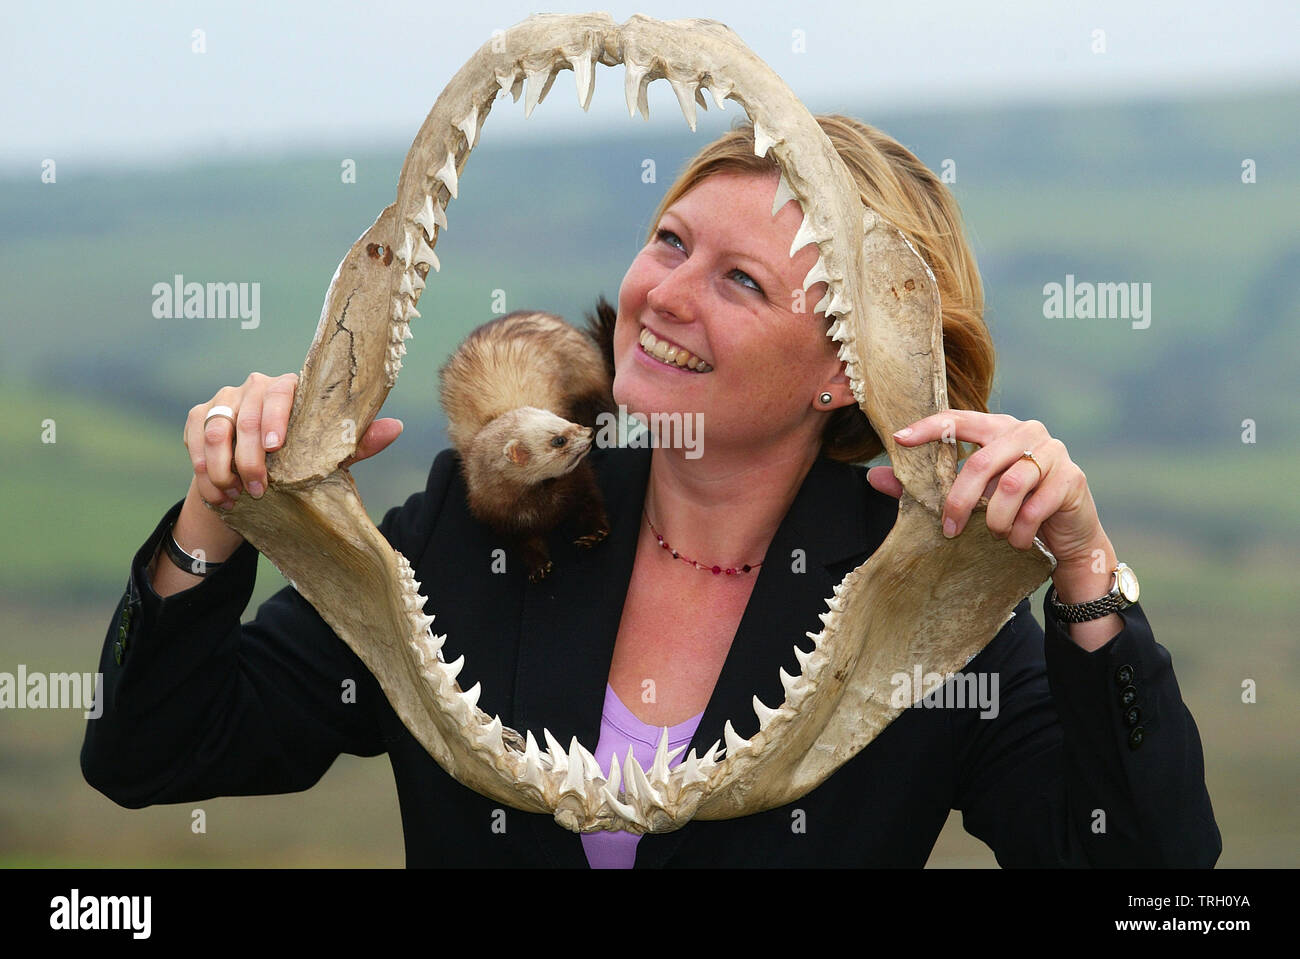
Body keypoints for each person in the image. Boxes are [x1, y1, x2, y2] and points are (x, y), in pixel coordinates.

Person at [82, 114, 1221, 867]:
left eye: (737, 279)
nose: (663, 294)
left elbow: (1151, 877)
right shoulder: (480, 518)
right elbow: (154, 752)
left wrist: (1083, 578)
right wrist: (214, 516)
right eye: (667, 240)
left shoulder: (922, 605)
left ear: (846, 368)